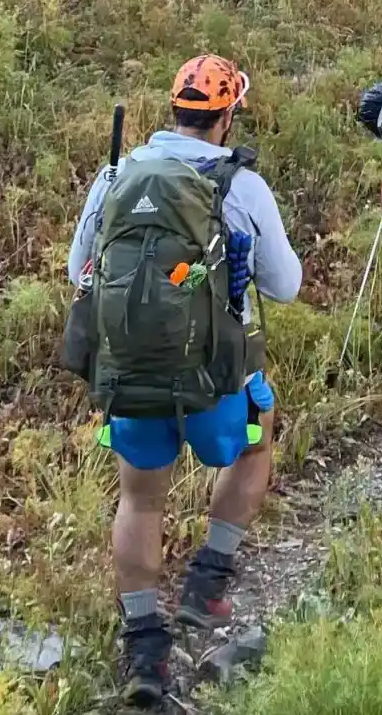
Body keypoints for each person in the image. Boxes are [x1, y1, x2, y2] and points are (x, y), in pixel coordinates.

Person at [65, 54, 302, 707]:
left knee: (139, 499)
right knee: (257, 443)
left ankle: (144, 642)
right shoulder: (240, 185)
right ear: (226, 117)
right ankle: (207, 581)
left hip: (131, 375)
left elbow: (77, 270)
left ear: (174, 110)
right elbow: (286, 285)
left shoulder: (116, 174)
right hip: (219, 379)